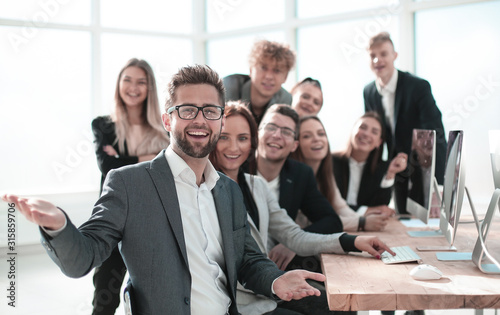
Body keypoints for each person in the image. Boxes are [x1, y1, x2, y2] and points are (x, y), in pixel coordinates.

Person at [2, 65, 329, 315]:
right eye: (187, 110)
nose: (200, 120)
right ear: (167, 120)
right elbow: (82, 258)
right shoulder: (128, 183)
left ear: (220, 121)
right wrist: (58, 225)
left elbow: (248, 259)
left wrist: (275, 279)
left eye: (210, 111)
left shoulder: (228, 191)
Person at [209, 101, 393, 315]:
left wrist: (354, 241)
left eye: (242, 138)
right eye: (224, 137)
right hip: (237, 298)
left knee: (339, 306)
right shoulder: (206, 188)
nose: (234, 147)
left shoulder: (257, 186)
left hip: (267, 285)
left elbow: (294, 235)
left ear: (251, 142)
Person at [90, 57, 170, 315]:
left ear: (150, 88)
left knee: (152, 295)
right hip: (114, 217)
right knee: (104, 294)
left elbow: (167, 169)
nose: (133, 87)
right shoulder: (103, 125)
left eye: (141, 82)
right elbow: (108, 168)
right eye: (127, 80)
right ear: (118, 84)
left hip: (152, 217)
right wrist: (146, 158)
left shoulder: (163, 128)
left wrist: (122, 159)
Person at [251, 104, 343, 272]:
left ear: (294, 145)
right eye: (271, 127)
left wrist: (293, 243)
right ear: (257, 133)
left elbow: (331, 221)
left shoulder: (300, 174)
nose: (277, 135)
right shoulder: (237, 167)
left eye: (286, 132)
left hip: (278, 269)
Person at [363, 31, 446, 216]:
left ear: (394, 56)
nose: (378, 60)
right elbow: (374, 133)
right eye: (372, 56)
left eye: (383, 54)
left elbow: (435, 132)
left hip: (422, 164)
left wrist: (437, 184)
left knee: (428, 220)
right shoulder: (368, 92)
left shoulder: (418, 87)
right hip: (395, 166)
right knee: (402, 218)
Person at [291, 115, 395, 232]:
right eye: (306, 136)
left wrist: (364, 220)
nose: (316, 139)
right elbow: (320, 221)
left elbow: (341, 207)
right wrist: (361, 221)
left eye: (321, 134)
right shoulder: (331, 163)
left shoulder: (325, 172)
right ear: (295, 144)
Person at [332, 112, 408, 213]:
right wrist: (366, 211)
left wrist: (391, 173)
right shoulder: (331, 162)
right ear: (352, 131)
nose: (366, 134)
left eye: (374, 132)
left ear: (379, 142)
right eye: (363, 127)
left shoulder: (380, 167)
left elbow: (380, 207)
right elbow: (330, 205)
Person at [223, 39, 296, 125]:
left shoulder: (285, 99)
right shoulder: (228, 87)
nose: (269, 76)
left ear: (285, 77)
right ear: (251, 70)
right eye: (263, 68)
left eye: (277, 71)